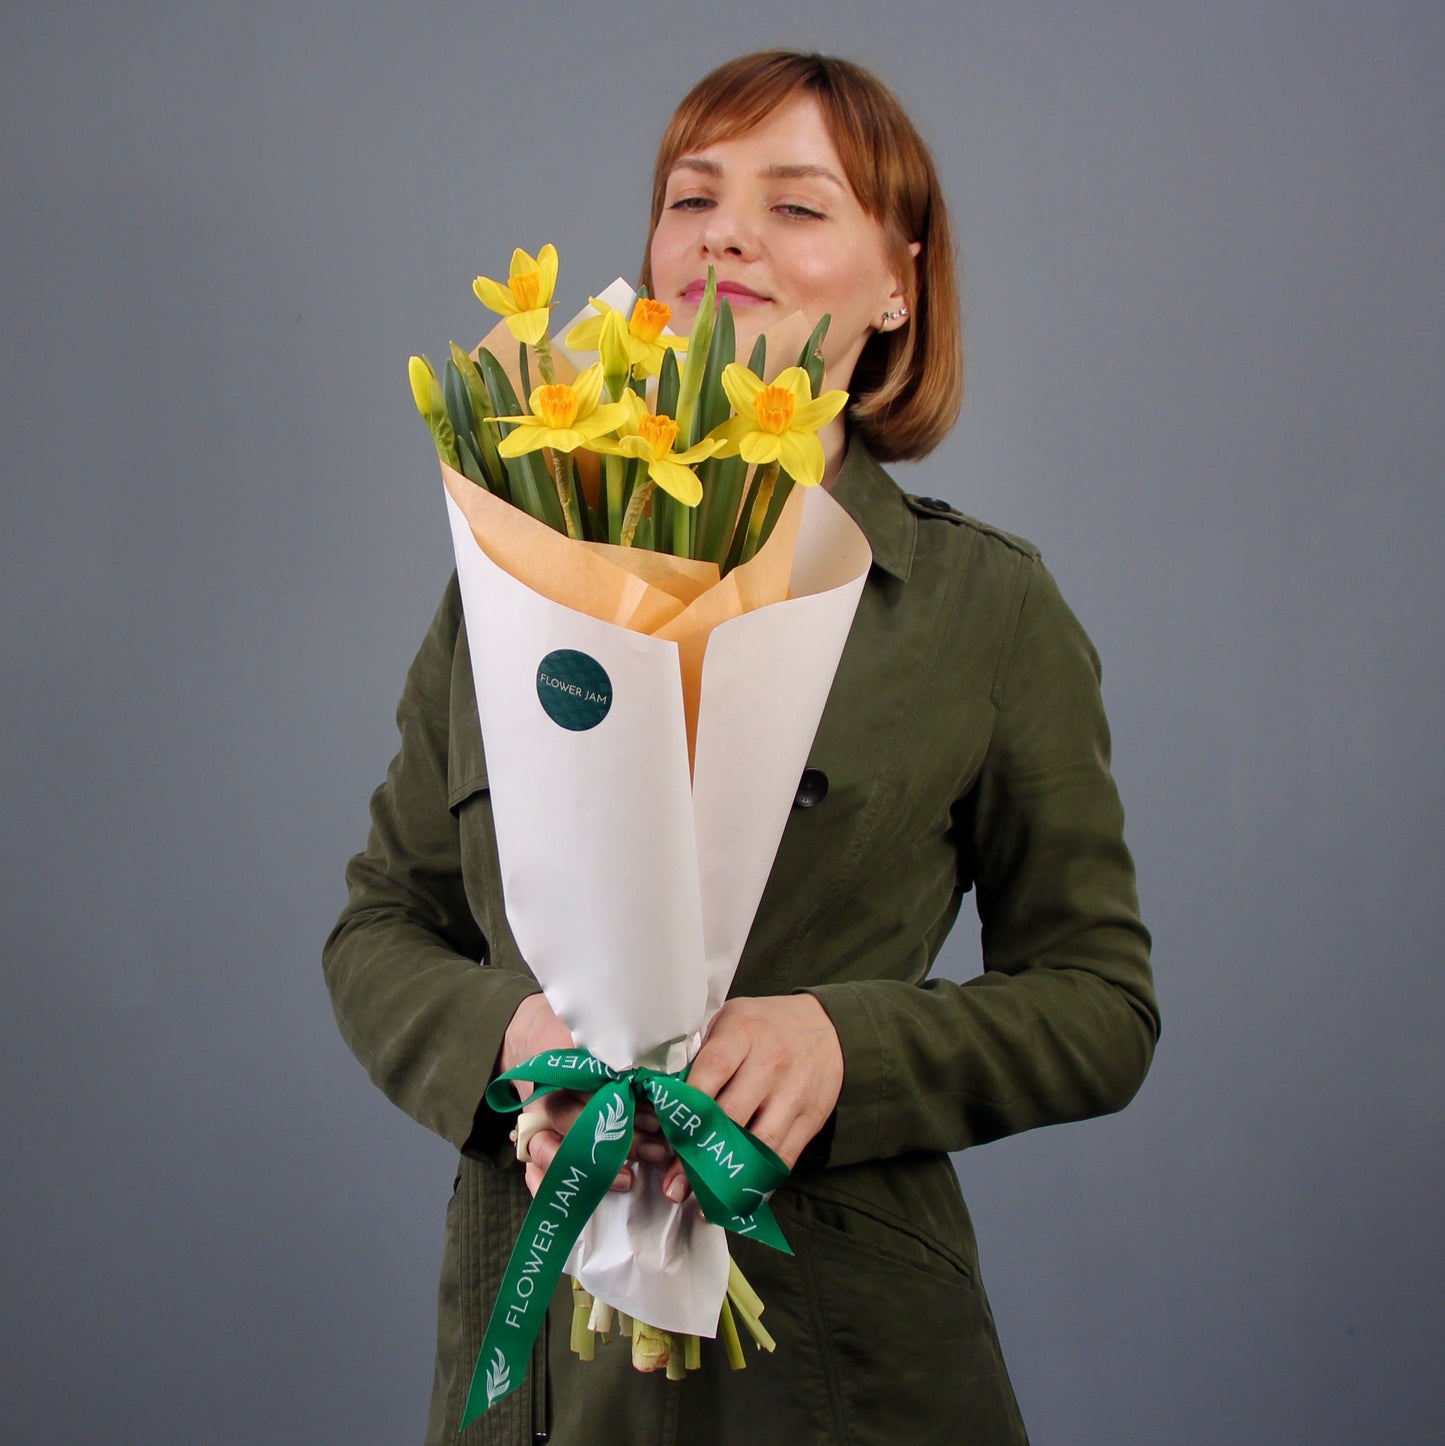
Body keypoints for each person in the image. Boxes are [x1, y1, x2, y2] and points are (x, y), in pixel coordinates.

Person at [324, 50, 1158, 1446]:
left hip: (838, 1356)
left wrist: (845, 1043)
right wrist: (512, 1041)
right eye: (691, 195)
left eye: (797, 204)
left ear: (899, 280)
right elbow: (377, 929)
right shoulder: (524, 574)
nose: (724, 232)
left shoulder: (986, 609)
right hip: (536, 1368)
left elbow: (1101, 1002)